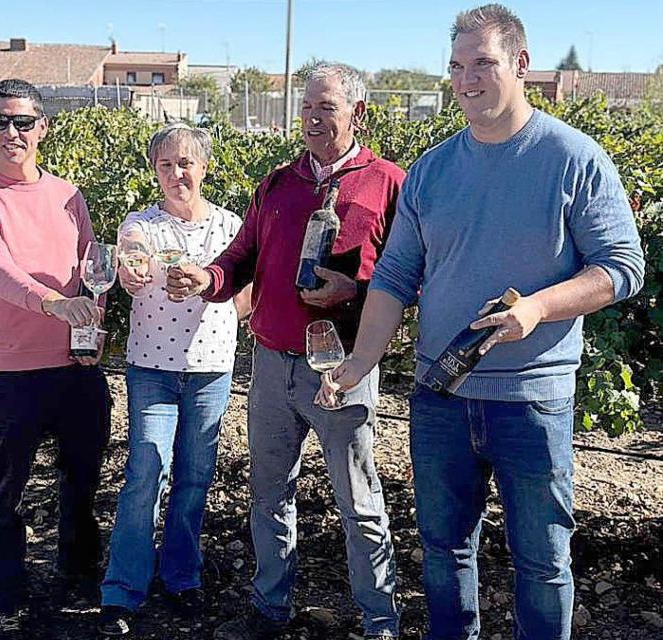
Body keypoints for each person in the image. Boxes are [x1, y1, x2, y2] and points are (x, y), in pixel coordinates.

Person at [317, 5, 645, 640]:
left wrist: (538, 307)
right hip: (440, 394)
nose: (467, 79)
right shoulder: (433, 171)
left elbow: (623, 266)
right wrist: (359, 362)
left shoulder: (573, 159)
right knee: (443, 553)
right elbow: (392, 277)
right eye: (457, 67)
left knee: (543, 563)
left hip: (531, 399)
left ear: (520, 65)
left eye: (483, 64)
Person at [166, 64, 405, 640]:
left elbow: (410, 275)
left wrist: (356, 291)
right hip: (271, 365)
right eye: (306, 107)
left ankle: (380, 621)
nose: (313, 119)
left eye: (326, 107)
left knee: (360, 501)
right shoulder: (278, 182)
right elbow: (242, 254)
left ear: (358, 113)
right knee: (269, 495)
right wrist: (211, 278)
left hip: (341, 366)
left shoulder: (388, 182)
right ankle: (269, 608)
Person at [0, 79, 111, 640]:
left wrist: (91, 323)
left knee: (83, 481)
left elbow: (93, 269)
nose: (10, 133)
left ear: (42, 127)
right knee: (2, 491)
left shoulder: (69, 197)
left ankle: (76, 572)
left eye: (21, 122)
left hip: (76, 369)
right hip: (12, 372)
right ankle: (4, 596)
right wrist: (54, 304)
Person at [97, 123, 252, 637]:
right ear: (154, 171)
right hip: (153, 370)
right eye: (166, 164)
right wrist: (132, 268)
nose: (177, 173)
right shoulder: (141, 223)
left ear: (204, 167)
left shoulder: (231, 227)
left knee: (193, 477)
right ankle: (123, 588)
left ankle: (182, 577)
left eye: (186, 162)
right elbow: (133, 255)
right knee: (146, 468)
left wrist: (223, 298)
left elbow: (245, 293)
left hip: (211, 370)